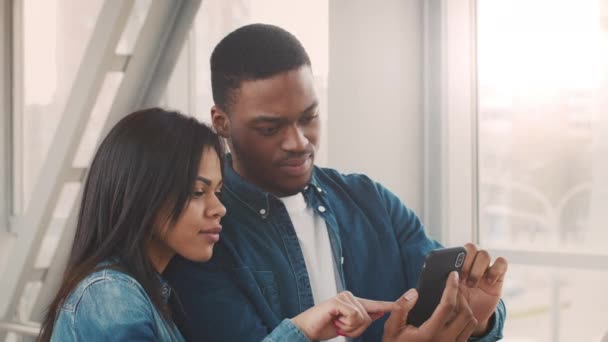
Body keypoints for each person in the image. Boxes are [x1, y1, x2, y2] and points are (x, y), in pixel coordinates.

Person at [164, 24, 508, 342]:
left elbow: (442, 307)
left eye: (309, 117)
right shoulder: (202, 233)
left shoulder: (371, 201)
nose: (298, 142)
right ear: (221, 122)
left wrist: (476, 322)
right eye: (270, 129)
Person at [39, 108, 394, 342]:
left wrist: (306, 328)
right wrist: (300, 330)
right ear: (141, 195)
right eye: (197, 192)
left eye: (219, 191)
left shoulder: (145, 293)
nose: (218, 209)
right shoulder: (112, 296)